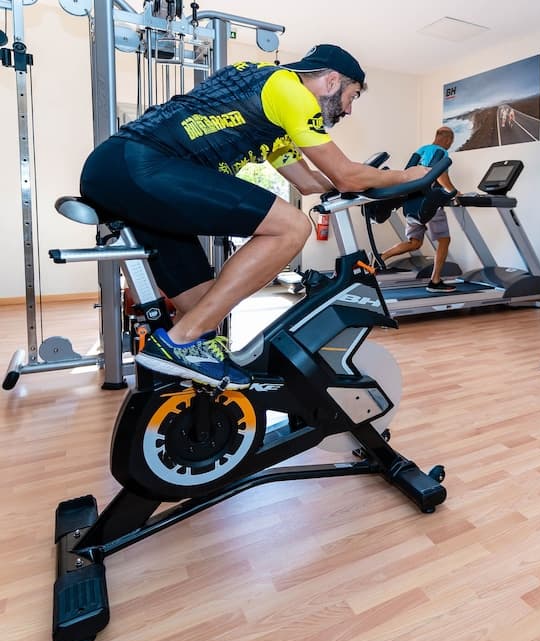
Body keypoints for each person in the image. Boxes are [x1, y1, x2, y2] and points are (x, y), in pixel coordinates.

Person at [79, 44, 427, 389]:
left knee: (204, 306)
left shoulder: (272, 109)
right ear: (332, 81)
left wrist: (370, 183)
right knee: (292, 227)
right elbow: (345, 175)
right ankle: (179, 342)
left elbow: (309, 182)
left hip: (122, 176)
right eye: (353, 97)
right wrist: (404, 177)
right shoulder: (291, 91)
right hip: (139, 165)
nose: (348, 110)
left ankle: (183, 382)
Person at [379, 126, 460, 293]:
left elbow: (407, 173)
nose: (450, 145)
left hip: (411, 203)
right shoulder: (442, 153)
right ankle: (435, 281)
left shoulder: (421, 150)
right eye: (451, 142)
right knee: (444, 240)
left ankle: (381, 257)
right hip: (429, 204)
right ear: (448, 140)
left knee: (414, 243)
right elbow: (439, 176)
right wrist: (454, 192)